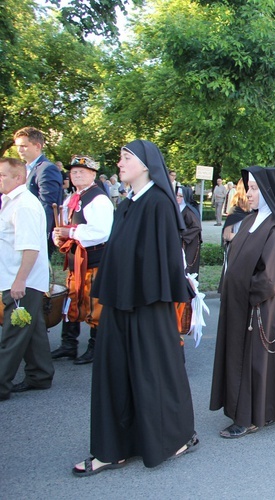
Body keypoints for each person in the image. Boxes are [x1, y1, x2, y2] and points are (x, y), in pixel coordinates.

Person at [74, 140, 197, 476]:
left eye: (126, 157)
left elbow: (165, 260)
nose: (120, 162)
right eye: (120, 156)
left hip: (147, 304)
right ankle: (113, 448)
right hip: (120, 302)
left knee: (156, 373)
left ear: (145, 164)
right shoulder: (128, 204)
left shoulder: (158, 203)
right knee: (113, 374)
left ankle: (176, 437)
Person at [210, 166, 275, 438]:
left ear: (268, 191)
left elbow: (272, 275)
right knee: (244, 357)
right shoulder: (250, 220)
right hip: (241, 304)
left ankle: (251, 416)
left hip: (261, 306)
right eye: (248, 188)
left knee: (255, 360)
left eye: (253, 189)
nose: (247, 194)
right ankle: (261, 408)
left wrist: (245, 296)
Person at [0, 157, 54, 401]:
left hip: (21, 280)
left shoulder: (23, 205)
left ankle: (1, 384)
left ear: (19, 178)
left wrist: (19, 281)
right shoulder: (11, 202)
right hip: (17, 277)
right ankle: (40, 375)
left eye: (2, 175)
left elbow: (31, 248)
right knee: (32, 330)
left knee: (14, 334)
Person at [51, 155, 114, 365]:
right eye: (73, 172)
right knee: (72, 299)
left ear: (93, 174)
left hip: (94, 260)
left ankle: (96, 348)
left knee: (94, 304)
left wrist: (72, 233)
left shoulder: (99, 199)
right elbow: (62, 224)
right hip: (75, 259)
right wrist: (58, 235)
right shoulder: (71, 198)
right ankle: (69, 345)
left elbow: (102, 231)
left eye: (82, 171)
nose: (76, 175)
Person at [13, 127, 63, 257]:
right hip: (22, 228)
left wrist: (39, 233)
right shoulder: (25, 168)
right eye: (18, 146)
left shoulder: (47, 169)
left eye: (24, 146)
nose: (19, 150)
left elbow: (48, 204)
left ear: (37, 146)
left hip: (36, 233)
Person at [176, 186, 202, 276]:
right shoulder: (178, 208)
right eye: (177, 195)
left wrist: (182, 235)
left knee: (187, 266)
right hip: (183, 241)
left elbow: (197, 227)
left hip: (190, 243)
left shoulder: (189, 211)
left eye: (180, 196)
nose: (177, 197)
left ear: (185, 197)